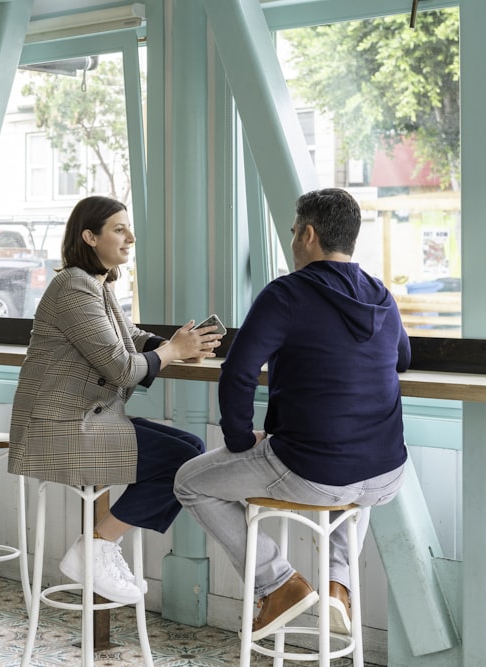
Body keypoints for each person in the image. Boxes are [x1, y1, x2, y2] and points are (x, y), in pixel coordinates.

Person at [174, 188, 409, 639]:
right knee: (353, 482)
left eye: (292, 231)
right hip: (386, 475)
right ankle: (337, 587)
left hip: (313, 471)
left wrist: (241, 440)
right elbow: (403, 358)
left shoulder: (287, 293)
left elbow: (238, 372)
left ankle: (277, 583)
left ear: (308, 234)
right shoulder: (380, 294)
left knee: (189, 481)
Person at [9, 195, 224, 604]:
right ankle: (95, 548)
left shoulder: (97, 285)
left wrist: (175, 344)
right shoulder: (72, 285)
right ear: (89, 237)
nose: (131, 237)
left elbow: (130, 336)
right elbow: (121, 367)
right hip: (63, 428)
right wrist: (172, 352)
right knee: (183, 463)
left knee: (192, 450)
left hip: (89, 418)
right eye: (119, 229)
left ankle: (100, 547)